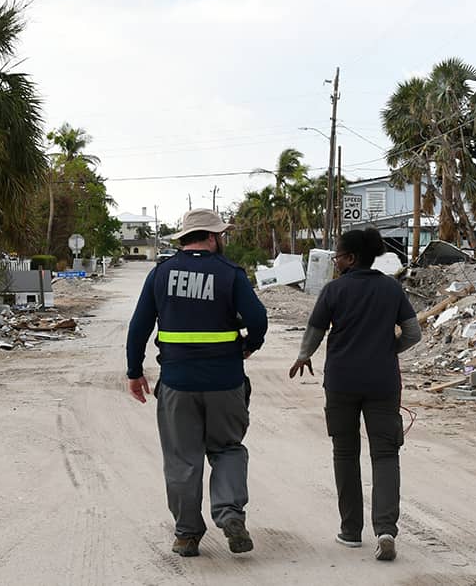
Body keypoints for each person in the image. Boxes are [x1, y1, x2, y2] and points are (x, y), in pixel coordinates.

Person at [125, 208, 268, 558]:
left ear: (185, 238)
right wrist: (247, 347)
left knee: (182, 460)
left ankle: (187, 535)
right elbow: (258, 320)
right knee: (228, 448)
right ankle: (230, 513)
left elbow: (139, 326)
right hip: (226, 382)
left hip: (177, 384)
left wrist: (134, 371)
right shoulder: (230, 274)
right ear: (212, 237)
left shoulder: (161, 273)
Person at [288, 228, 421, 562]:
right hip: (383, 383)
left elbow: (315, 330)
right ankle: (386, 530)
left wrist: (304, 356)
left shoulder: (335, 290)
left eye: (337, 254)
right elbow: (413, 333)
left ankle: (350, 531)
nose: (334, 259)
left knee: (345, 453)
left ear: (349, 258)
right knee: (386, 455)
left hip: (341, 383)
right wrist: (390, 348)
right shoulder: (392, 288)